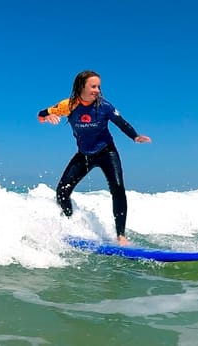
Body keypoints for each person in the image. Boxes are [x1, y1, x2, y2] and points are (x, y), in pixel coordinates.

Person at [37, 70, 151, 246]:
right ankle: (69, 225)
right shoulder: (68, 105)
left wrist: (135, 137)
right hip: (84, 155)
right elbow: (40, 114)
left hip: (107, 152)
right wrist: (48, 116)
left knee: (118, 188)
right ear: (82, 86)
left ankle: (121, 235)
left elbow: (121, 123)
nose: (97, 90)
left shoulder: (104, 106)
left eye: (98, 86)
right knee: (62, 190)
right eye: (93, 86)